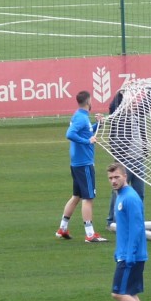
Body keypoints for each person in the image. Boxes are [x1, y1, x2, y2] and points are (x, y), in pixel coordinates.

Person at [107, 162, 151, 301]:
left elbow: (137, 229)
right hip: (126, 253)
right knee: (130, 292)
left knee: (118, 293)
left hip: (132, 256)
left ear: (125, 176)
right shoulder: (120, 196)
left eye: (117, 177)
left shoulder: (130, 198)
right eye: (110, 178)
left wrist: (129, 254)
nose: (113, 181)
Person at [106, 81, 151, 232]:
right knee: (119, 191)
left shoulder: (138, 114)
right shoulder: (118, 116)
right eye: (129, 101)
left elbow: (147, 103)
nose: (133, 103)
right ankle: (113, 221)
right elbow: (113, 106)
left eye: (133, 101)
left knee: (139, 192)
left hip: (139, 160)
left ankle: (137, 219)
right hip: (124, 161)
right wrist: (121, 92)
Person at [56, 90, 108, 243]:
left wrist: (98, 124)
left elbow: (86, 131)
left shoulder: (80, 116)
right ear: (88, 101)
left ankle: (62, 228)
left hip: (77, 163)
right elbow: (70, 134)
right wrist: (87, 142)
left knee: (76, 196)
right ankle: (90, 234)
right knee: (88, 198)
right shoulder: (81, 117)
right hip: (84, 163)